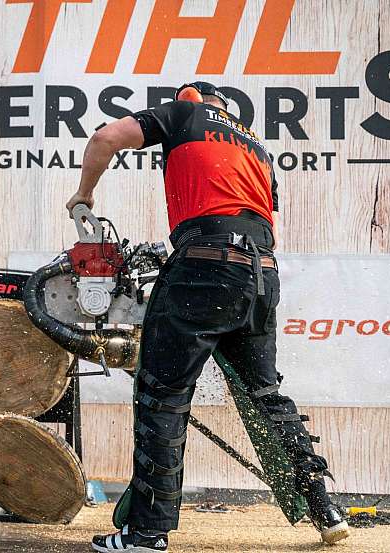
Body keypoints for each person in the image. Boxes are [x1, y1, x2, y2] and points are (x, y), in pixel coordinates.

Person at [66, 81, 350, 552]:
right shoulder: (256, 146)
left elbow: (104, 139)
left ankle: (146, 534)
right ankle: (325, 508)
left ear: (190, 99)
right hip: (259, 274)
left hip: (204, 267)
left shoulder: (183, 115)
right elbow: (238, 213)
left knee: (163, 395)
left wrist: (83, 196)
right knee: (266, 396)